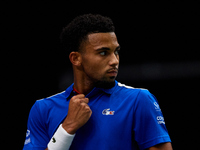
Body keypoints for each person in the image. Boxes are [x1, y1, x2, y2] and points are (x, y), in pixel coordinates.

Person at [23, 14, 172, 150]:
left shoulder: (139, 100)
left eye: (116, 52)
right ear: (76, 58)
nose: (114, 61)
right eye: (103, 53)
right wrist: (67, 128)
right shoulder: (42, 108)